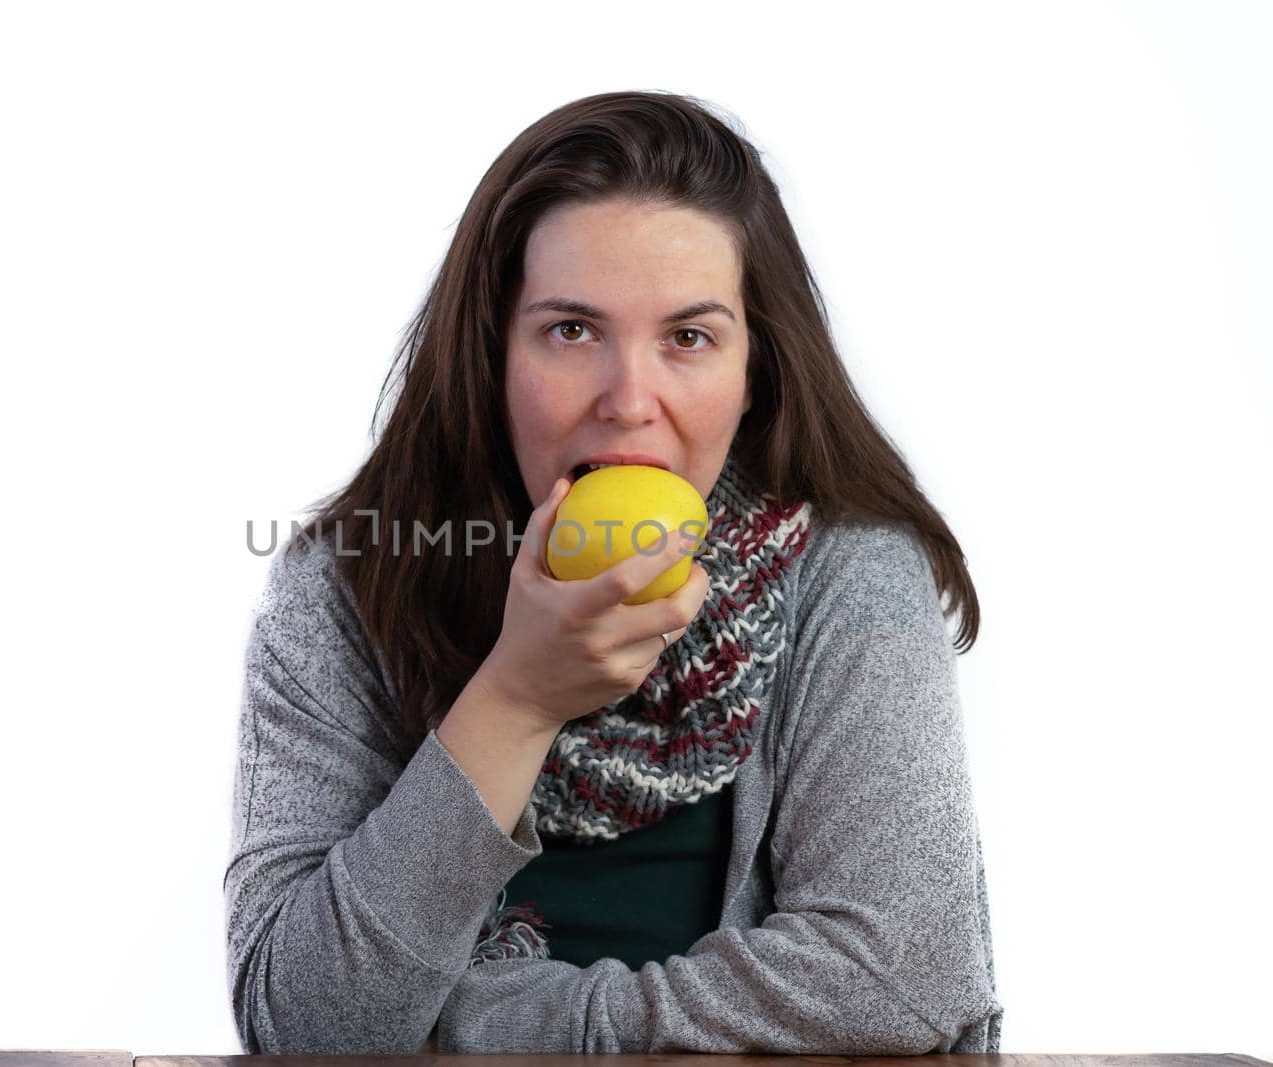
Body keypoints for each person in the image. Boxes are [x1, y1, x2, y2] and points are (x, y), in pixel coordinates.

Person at [224, 89, 1003, 1055]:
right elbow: (301, 1024)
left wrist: (476, 1022)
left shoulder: (849, 574)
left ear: (754, 366)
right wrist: (514, 698)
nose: (630, 401)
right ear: (492, 351)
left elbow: (903, 975)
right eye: (572, 331)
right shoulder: (343, 589)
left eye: (689, 337)